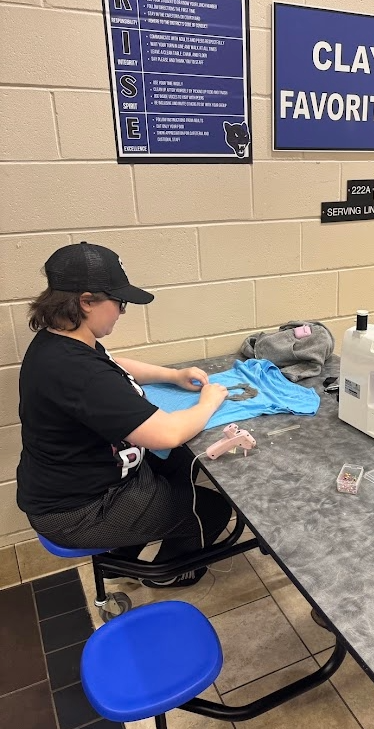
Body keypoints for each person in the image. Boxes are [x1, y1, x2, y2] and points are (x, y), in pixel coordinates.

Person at [16, 241, 232, 588]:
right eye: (119, 303)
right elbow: (167, 434)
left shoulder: (60, 340)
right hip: (79, 512)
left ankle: (121, 559)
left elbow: (112, 364)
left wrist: (171, 375)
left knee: (180, 463)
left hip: (82, 483)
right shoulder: (74, 371)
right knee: (212, 508)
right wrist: (210, 400)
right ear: (86, 301)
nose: (121, 312)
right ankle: (169, 574)